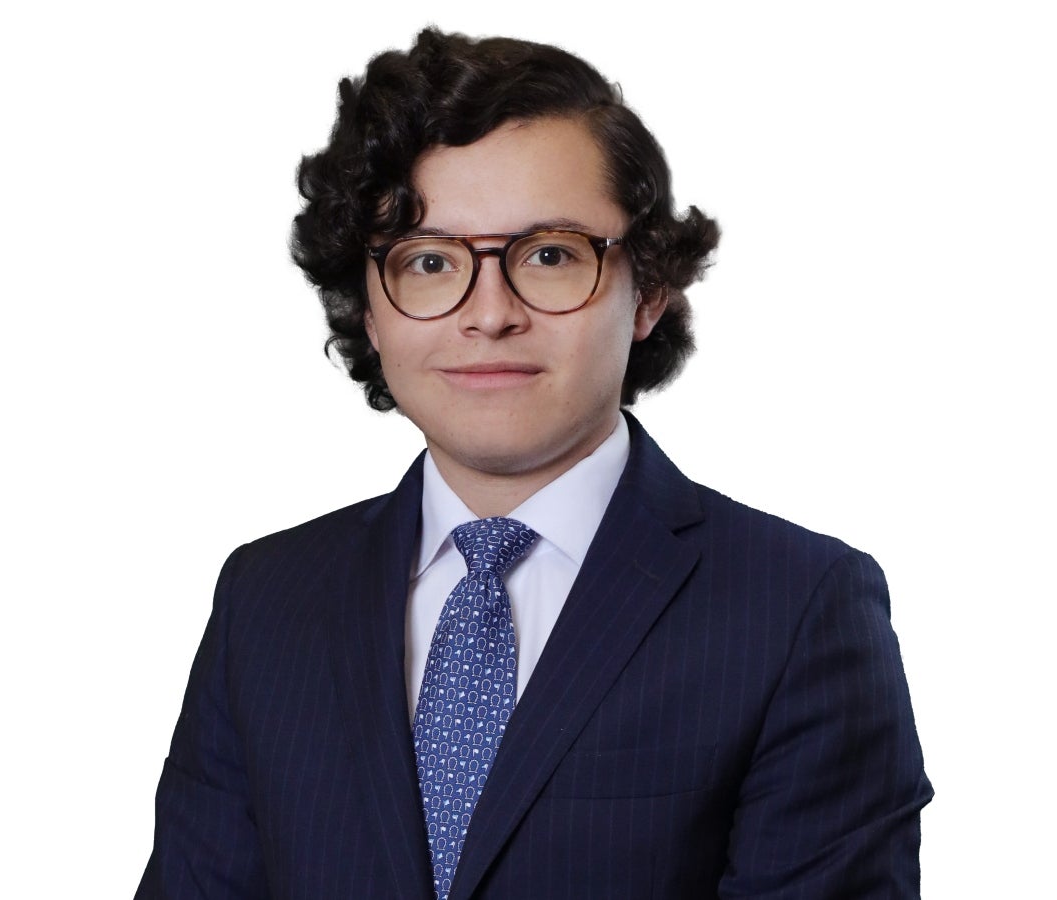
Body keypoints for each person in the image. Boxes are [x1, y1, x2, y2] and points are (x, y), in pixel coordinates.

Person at [136, 28, 932, 899]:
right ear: (369, 310)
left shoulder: (798, 607)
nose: (489, 313)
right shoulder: (265, 599)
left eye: (550, 255)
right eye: (429, 261)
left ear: (648, 292)